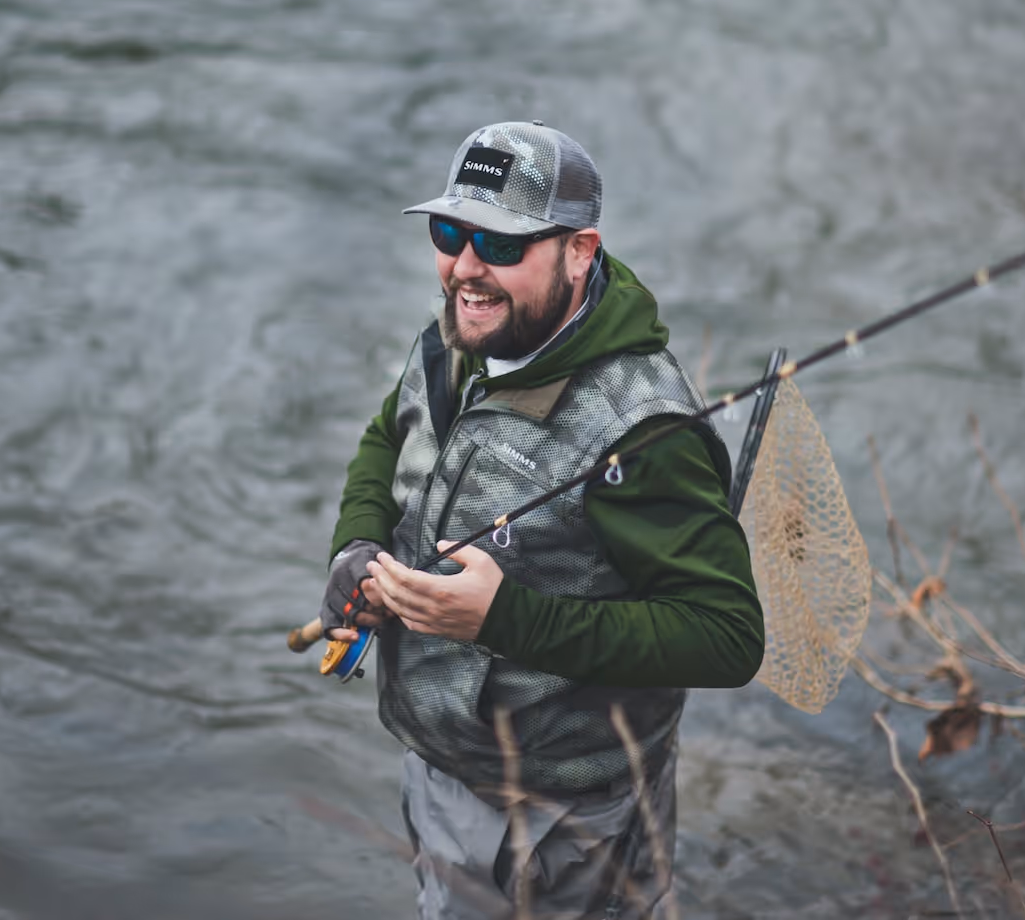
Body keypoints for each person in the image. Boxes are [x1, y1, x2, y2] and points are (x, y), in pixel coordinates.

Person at [318, 121, 765, 919]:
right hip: (442, 763)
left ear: (580, 251)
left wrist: (505, 617)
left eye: (500, 243)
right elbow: (389, 438)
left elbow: (727, 637)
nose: (465, 267)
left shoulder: (645, 433)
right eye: (449, 232)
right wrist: (356, 545)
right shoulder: (461, 332)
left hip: (567, 817)